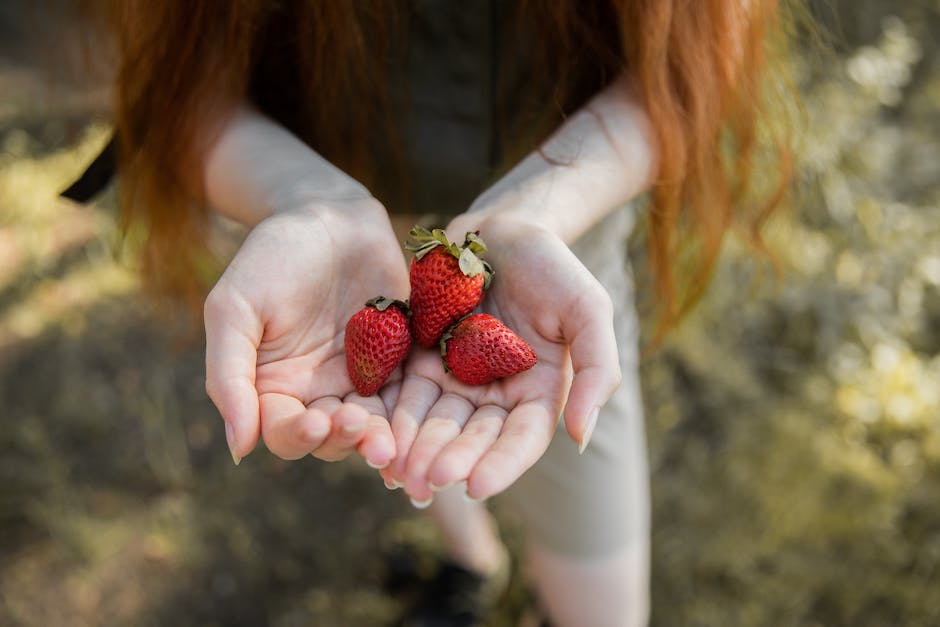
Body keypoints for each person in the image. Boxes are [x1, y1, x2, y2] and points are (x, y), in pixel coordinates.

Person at [81, 2, 792, 625]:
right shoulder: (352, 294)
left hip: (560, 228)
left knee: (598, 578)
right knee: (388, 417)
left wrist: (536, 211)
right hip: (332, 212)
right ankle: (474, 558)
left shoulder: (513, 284)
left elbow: (691, 61)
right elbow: (174, 82)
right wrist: (303, 196)